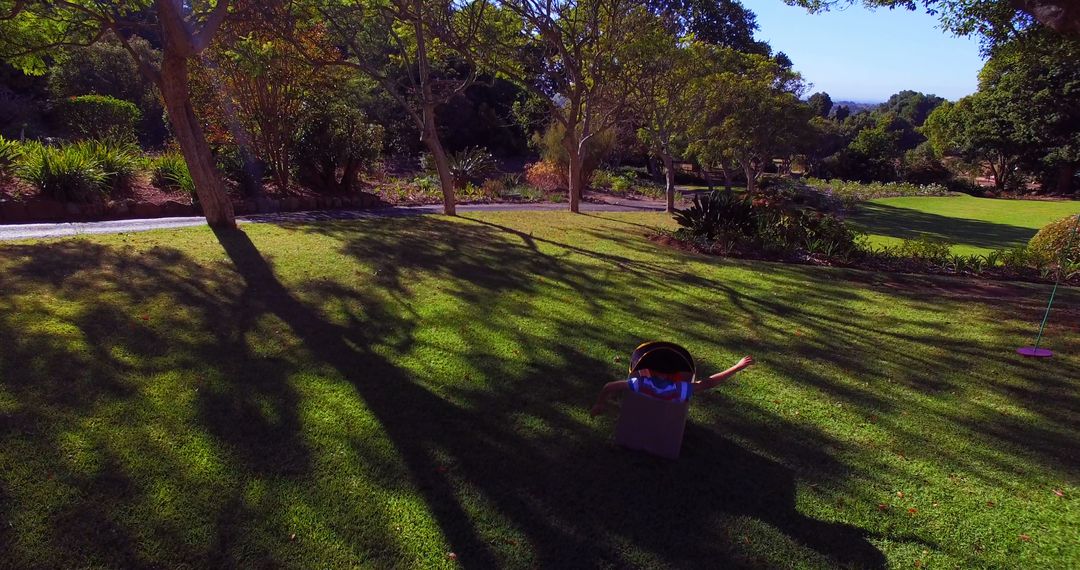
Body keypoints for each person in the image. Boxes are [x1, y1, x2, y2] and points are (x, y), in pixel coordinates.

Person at [590, 354, 755, 416]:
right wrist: (738, 366)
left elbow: (608, 387)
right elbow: (709, 383)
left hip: (646, 409)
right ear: (673, 376)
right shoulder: (679, 389)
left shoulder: (640, 383)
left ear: (649, 372)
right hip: (668, 410)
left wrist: (599, 403)